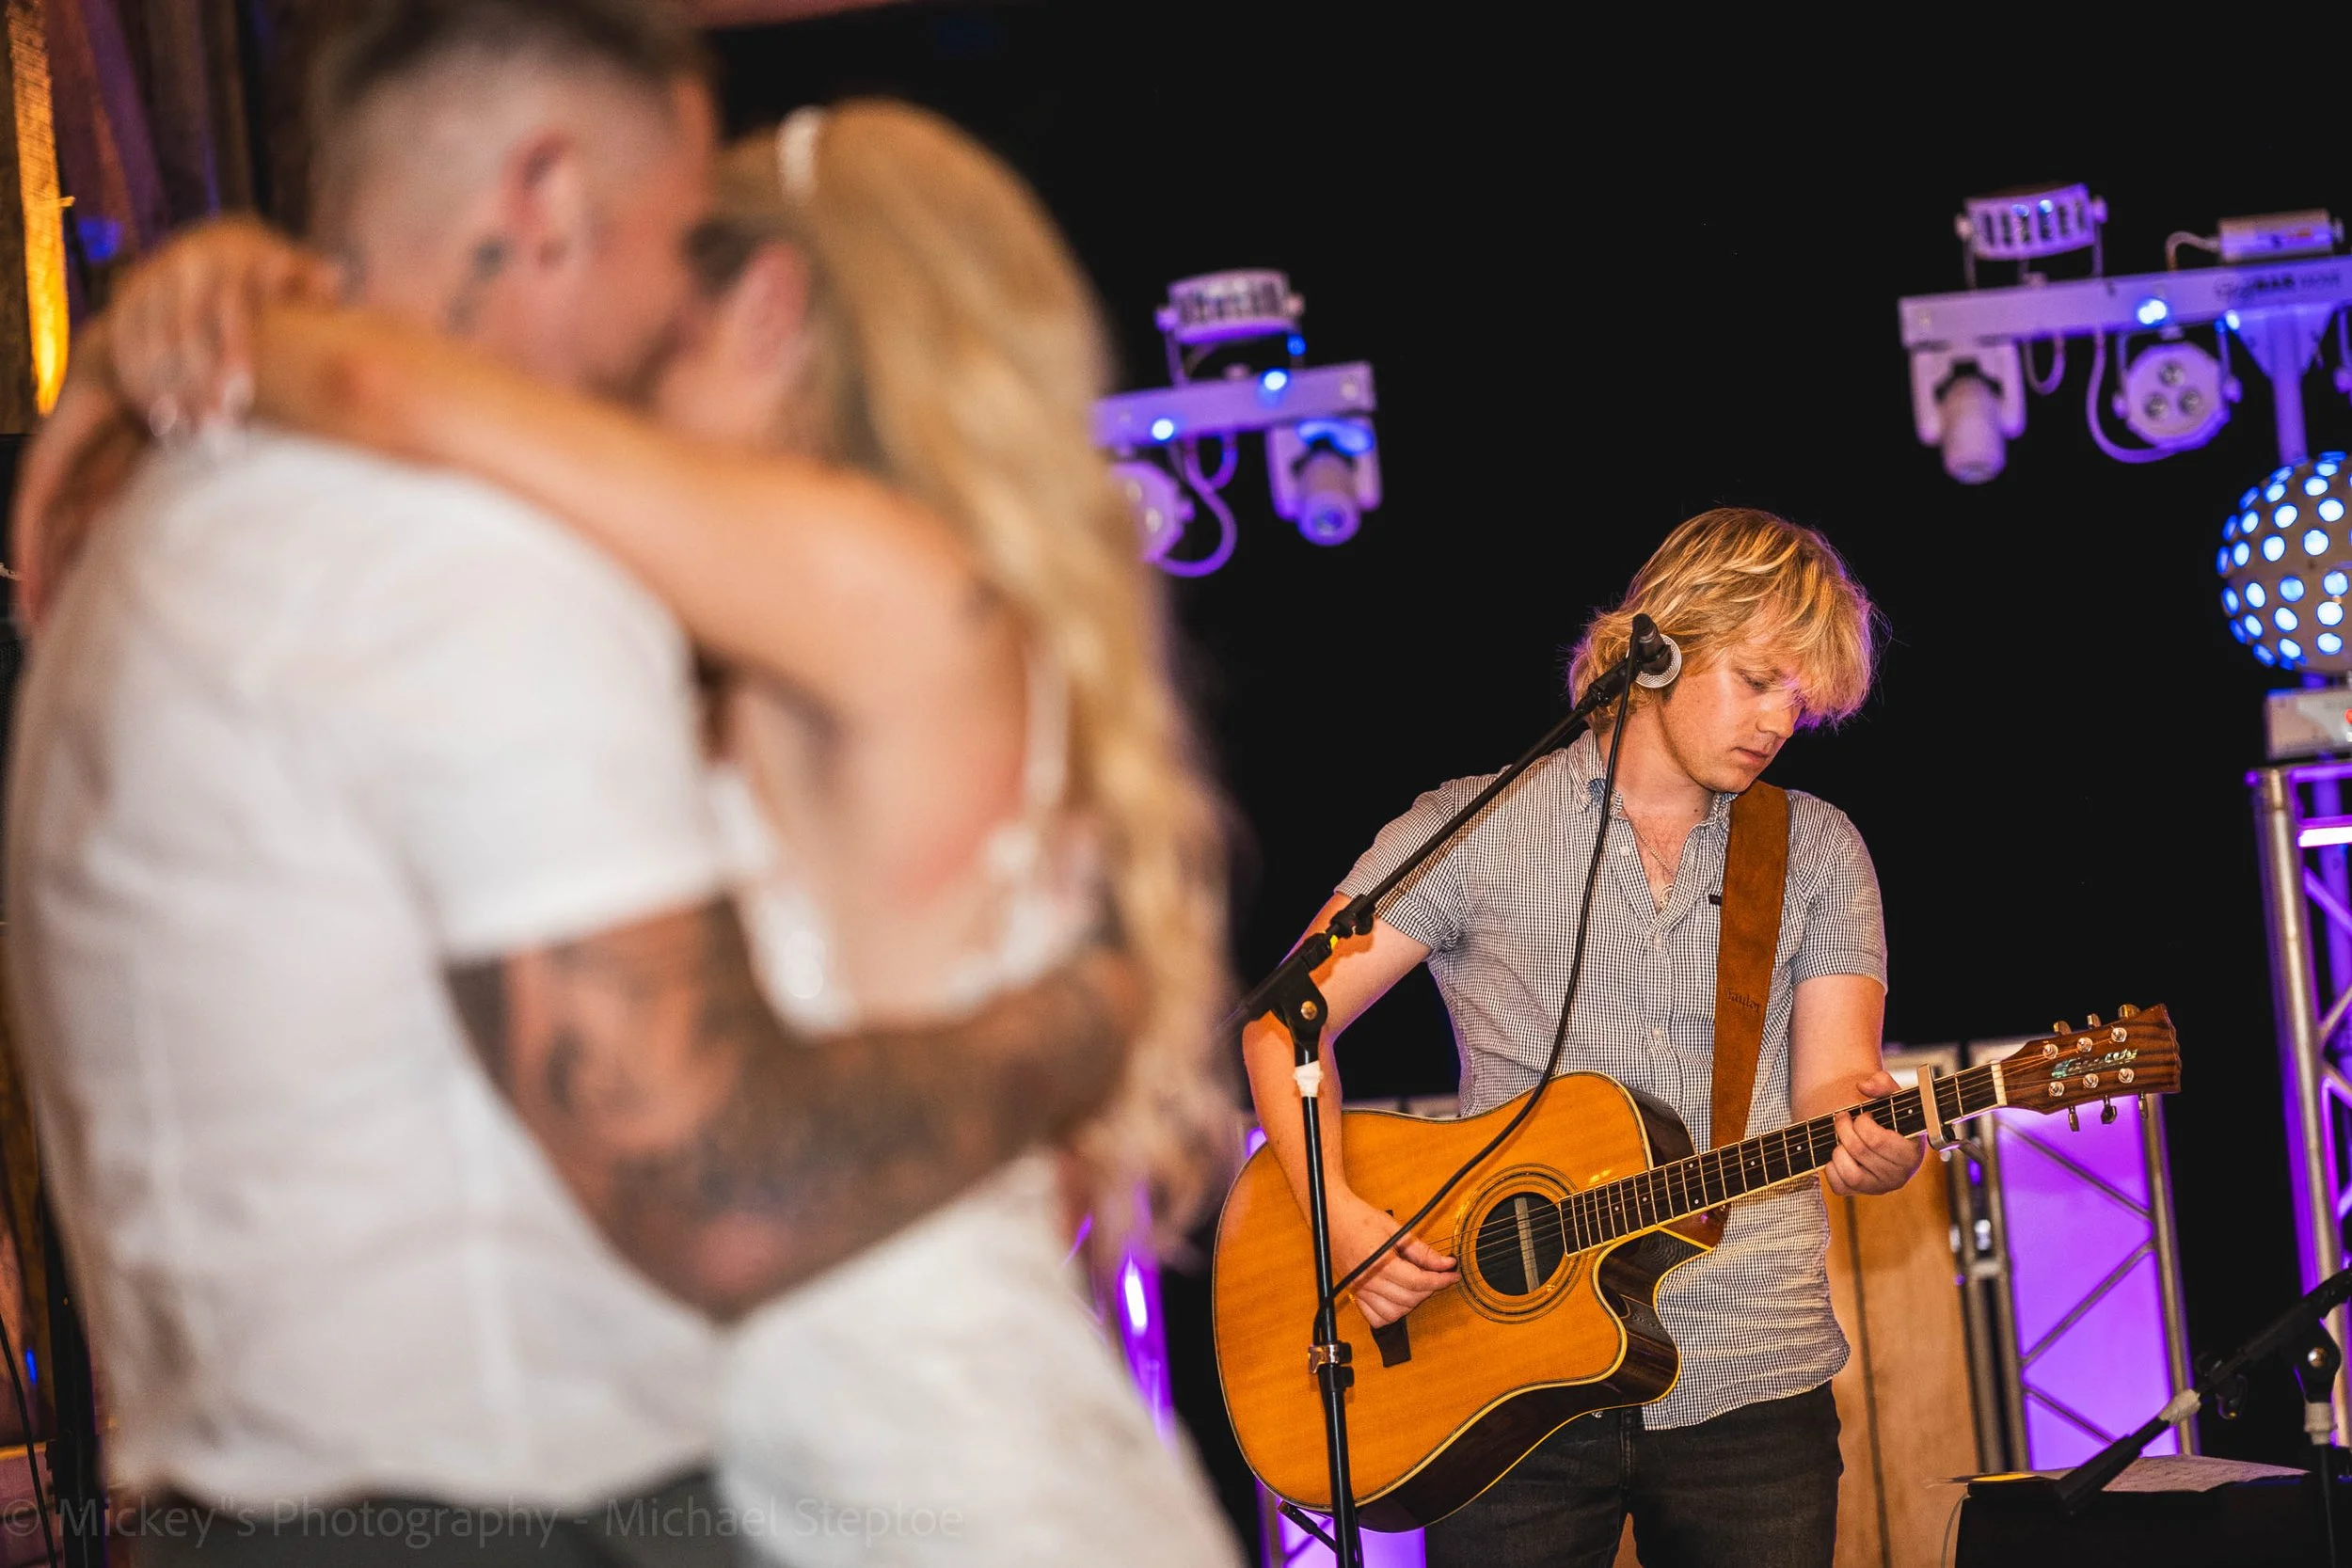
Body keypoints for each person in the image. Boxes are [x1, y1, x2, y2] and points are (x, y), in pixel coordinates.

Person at [6, 5, 1169, 1563]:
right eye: (664, 247)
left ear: (769, 315)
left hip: (893, 1441)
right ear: (547, 203)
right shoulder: (537, 588)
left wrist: (233, 334)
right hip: (652, 1479)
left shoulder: (866, 587)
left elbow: (405, 398)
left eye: (690, 275)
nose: (641, 335)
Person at [1239, 509, 1917, 1568]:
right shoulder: (1474, 824)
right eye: (1757, 678)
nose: (1779, 718)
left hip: (1751, 1376)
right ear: (1660, 643)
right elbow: (1286, 1017)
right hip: (1499, 1380)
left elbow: (1836, 1082)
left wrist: (1884, 1138)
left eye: (1800, 697)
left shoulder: (1818, 849)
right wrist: (1337, 1219)